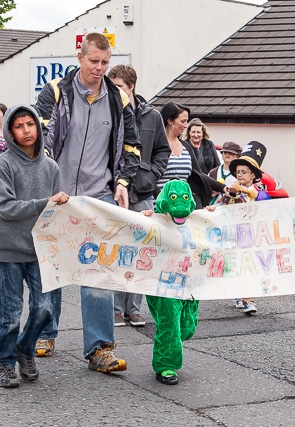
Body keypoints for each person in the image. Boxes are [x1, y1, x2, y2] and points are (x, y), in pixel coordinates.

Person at [34, 32, 141, 372]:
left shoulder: (118, 99)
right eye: (94, 61)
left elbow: (132, 148)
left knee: (98, 271)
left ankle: (100, 348)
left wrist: (122, 182)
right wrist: (46, 185)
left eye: (105, 63)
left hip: (99, 197)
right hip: (59, 194)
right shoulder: (55, 93)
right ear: (79, 57)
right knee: (53, 265)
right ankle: (43, 332)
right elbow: (39, 142)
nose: (99, 68)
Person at [0, 105, 69, 388]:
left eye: (30, 124)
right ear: (10, 132)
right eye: (19, 126)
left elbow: (58, 213)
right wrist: (45, 202)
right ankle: (4, 363)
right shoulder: (4, 164)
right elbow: (6, 208)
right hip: (9, 249)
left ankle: (25, 348)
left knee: (45, 309)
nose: (27, 130)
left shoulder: (51, 167)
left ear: (38, 128)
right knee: (10, 314)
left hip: (42, 251)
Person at [108, 64, 171, 328]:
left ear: (131, 86)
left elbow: (162, 151)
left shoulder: (152, 116)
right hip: (113, 191)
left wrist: (151, 173)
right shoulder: (109, 112)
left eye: (119, 87)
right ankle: (115, 309)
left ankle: (133, 308)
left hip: (143, 191)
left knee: (141, 252)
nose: (115, 92)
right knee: (115, 250)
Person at [141, 180, 201, 385]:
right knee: (169, 323)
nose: (180, 205)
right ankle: (165, 365)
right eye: (174, 199)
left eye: (185, 199)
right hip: (163, 284)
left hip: (188, 281)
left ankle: (171, 346)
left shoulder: (194, 220)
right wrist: (142, 219)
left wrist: (210, 212)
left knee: (186, 327)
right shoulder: (155, 220)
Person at [224, 141, 271, 313]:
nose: (240, 175)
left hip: (254, 235)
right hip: (237, 234)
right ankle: (244, 296)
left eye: (244, 172)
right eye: (238, 172)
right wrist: (230, 198)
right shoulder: (232, 191)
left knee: (252, 266)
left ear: (253, 175)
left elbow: (268, 208)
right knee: (238, 265)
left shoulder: (261, 194)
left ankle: (247, 297)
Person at [158, 102, 225, 208]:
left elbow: (198, 174)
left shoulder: (186, 146)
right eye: (183, 121)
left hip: (183, 206)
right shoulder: (156, 145)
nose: (186, 125)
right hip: (161, 206)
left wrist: (223, 188)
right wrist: (162, 200)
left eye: (187, 121)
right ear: (170, 120)